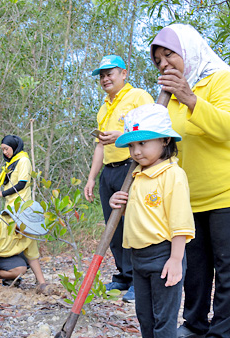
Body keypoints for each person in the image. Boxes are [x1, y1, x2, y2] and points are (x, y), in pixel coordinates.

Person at [150, 24, 230, 338]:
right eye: (157, 60)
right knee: (195, 267)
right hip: (192, 195)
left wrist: (188, 97)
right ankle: (196, 323)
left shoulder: (222, 80)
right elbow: (165, 145)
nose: (164, 64)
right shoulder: (168, 96)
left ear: (188, 50)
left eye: (169, 54)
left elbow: (228, 127)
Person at [109, 104, 195, 338]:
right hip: (138, 256)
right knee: (144, 312)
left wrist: (175, 259)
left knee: (164, 315)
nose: (136, 151)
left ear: (165, 141)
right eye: (132, 145)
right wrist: (118, 201)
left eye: (143, 143)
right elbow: (138, 212)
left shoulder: (173, 175)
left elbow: (181, 221)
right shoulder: (136, 176)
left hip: (163, 255)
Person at [83, 55, 154, 303]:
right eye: (101, 75)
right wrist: (92, 178)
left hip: (132, 166)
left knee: (134, 224)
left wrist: (122, 134)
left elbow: (151, 130)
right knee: (114, 227)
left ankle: (140, 280)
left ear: (124, 73)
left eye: (110, 73)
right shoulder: (104, 106)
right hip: (109, 171)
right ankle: (124, 276)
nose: (105, 78)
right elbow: (100, 146)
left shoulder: (138, 97)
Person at [0, 135, 33, 208]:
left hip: (21, 205)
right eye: (3, 150)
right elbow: (9, 182)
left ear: (13, 146)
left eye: (6, 149)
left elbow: (21, 184)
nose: (4, 152)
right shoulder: (11, 163)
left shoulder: (23, 160)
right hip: (10, 205)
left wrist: (2, 193)